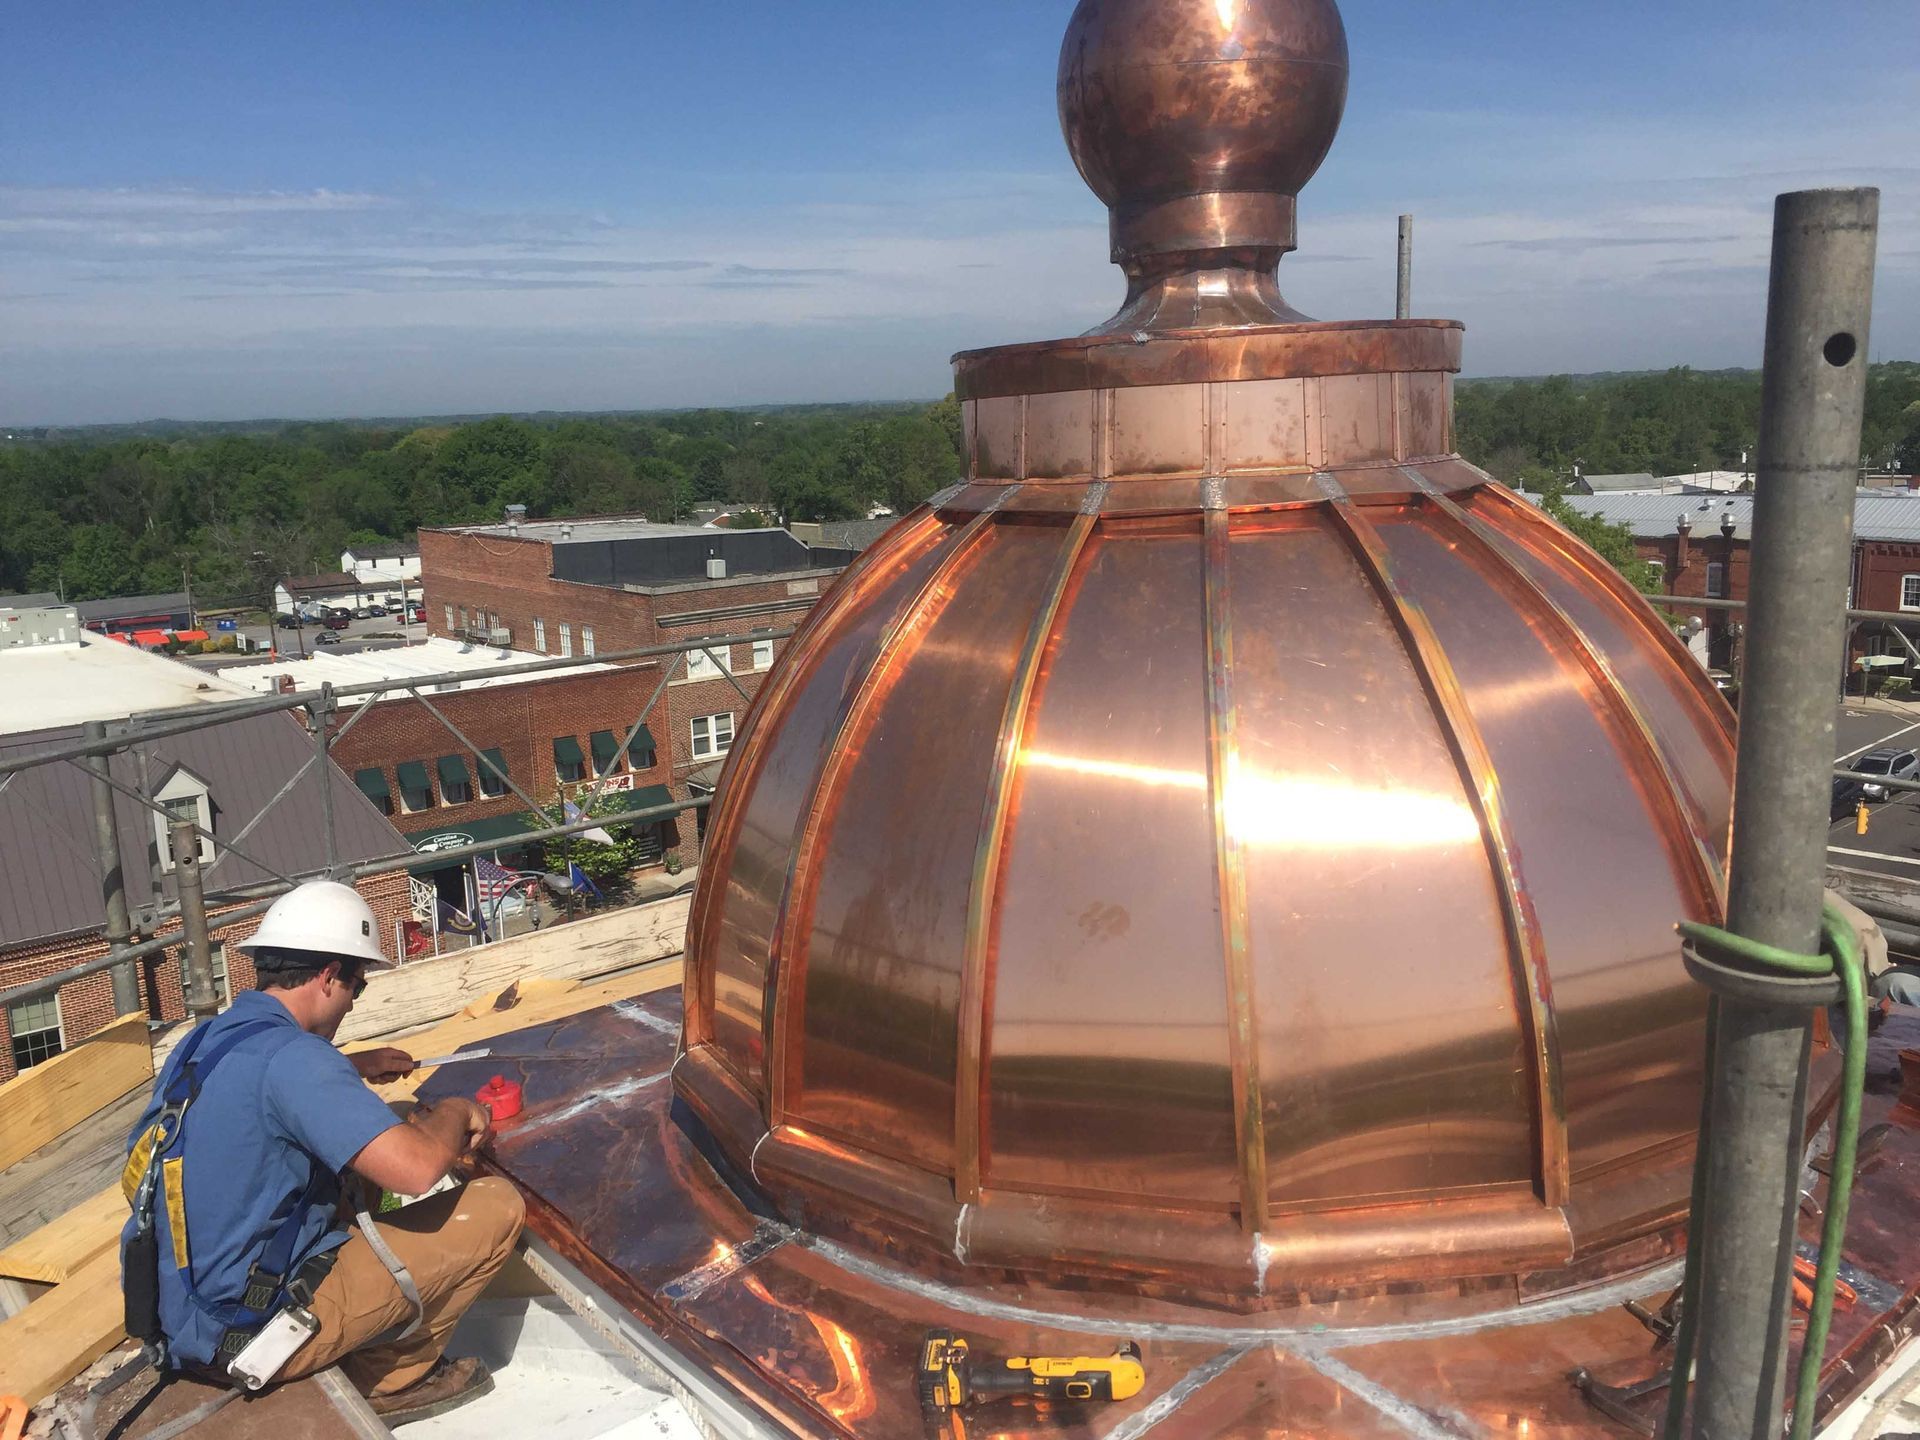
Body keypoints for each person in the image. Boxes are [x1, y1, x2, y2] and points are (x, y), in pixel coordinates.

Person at [121, 881, 525, 1423]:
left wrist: (354, 1067)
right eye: (357, 987)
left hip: (186, 1315)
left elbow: (258, 1086)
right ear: (331, 975)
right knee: (496, 1204)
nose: (353, 1002)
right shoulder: (298, 1060)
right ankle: (391, 1380)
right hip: (251, 1331)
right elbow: (417, 1170)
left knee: (372, 1143)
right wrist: (457, 1111)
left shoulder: (204, 1042)